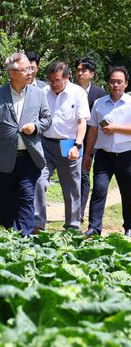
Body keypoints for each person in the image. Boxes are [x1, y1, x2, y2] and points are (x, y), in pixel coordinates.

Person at [0, 52, 51, 236]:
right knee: (5, 203)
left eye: (30, 68)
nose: (30, 72)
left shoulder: (38, 94)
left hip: (29, 158)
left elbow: (47, 119)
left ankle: (25, 238)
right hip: (3, 160)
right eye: (25, 69)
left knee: (26, 199)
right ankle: (8, 239)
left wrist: (35, 127)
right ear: (12, 73)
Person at [34, 62, 90, 231]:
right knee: (39, 181)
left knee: (71, 187)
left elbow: (82, 122)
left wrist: (77, 145)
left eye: (57, 80)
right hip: (45, 143)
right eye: (50, 80)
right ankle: (37, 224)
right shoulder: (43, 92)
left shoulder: (77, 93)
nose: (53, 84)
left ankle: (72, 226)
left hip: (68, 143)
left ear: (67, 78)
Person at [83, 66, 131, 237]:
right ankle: (94, 228)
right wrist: (88, 155)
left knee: (127, 193)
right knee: (99, 190)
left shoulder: (130, 104)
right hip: (103, 155)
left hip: (126, 155)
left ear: (126, 84)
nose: (116, 85)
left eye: (119, 82)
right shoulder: (99, 103)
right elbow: (93, 131)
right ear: (108, 83)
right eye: (112, 82)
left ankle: (129, 227)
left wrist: (115, 128)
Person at [75, 57, 106, 224]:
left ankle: (79, 211)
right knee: (70, 172)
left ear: (91, 74)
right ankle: (71, 209)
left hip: (89, 142)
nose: (80, 73)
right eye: (78, 70)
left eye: (84, 70)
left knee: (84, 173)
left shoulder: (98, 93)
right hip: (69, 140)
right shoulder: (70, 89)